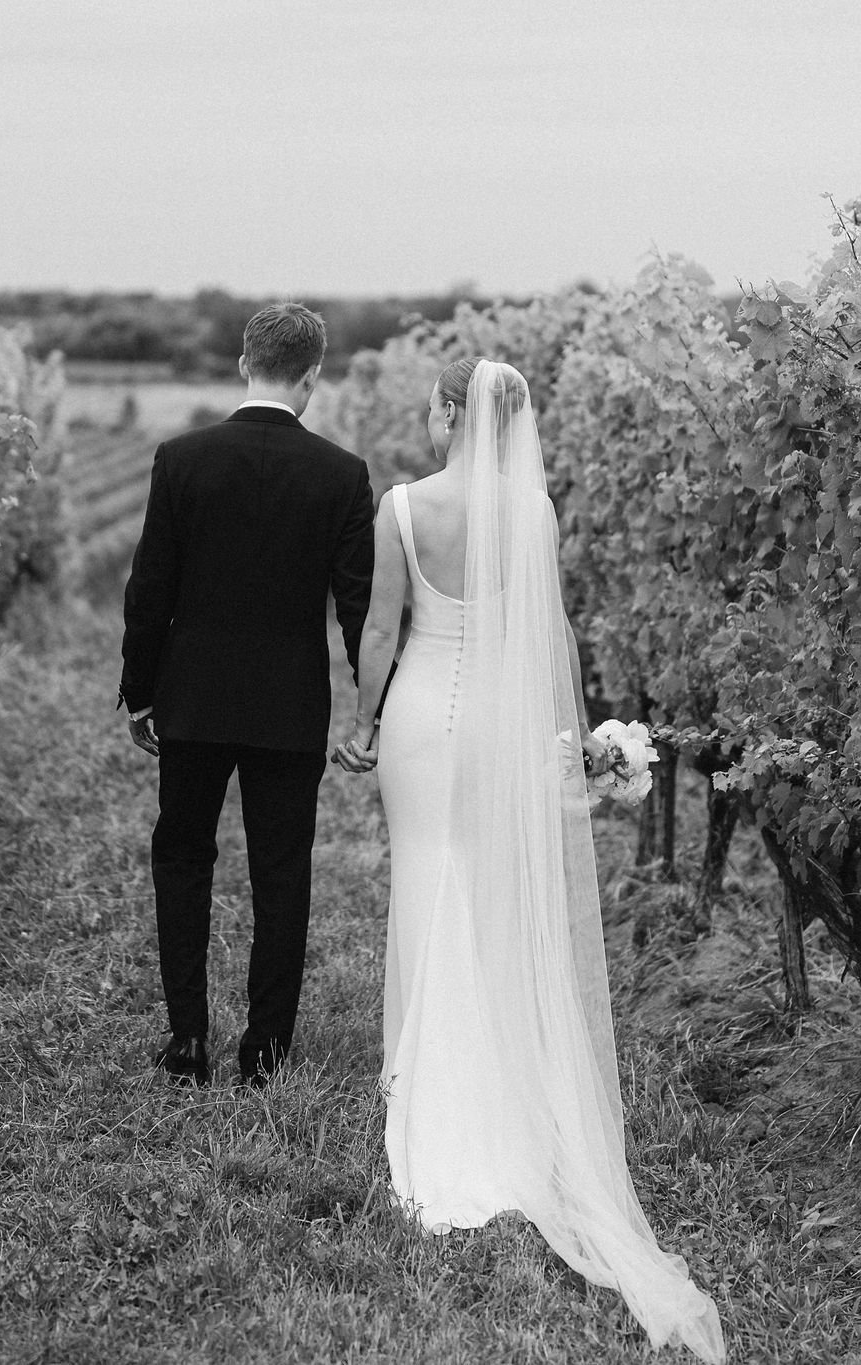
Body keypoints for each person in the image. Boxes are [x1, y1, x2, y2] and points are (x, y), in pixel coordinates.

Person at [333, 359, 726, 1363]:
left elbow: (381, 626)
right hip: (504, 726)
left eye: (434, 403)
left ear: (452, 411)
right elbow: (548, 634)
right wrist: (564, 740)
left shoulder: (405, 506)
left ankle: (415, 1077)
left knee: (426, 876)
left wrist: (362, 722)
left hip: (423, 715)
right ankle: (500, 1083)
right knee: (497, 892)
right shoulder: (533, 516)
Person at [120, 302, 374, 1088]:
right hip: (290, 710)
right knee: (282, 872)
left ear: (242, 364)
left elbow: (148, 588)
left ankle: (187, 1040)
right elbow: (358, 607)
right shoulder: (342, 474)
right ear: (313, 375)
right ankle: (265, 1051)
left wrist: (139, 690)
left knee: (185, 858)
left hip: (191, 698)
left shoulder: (182, 458)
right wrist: (376, 706)